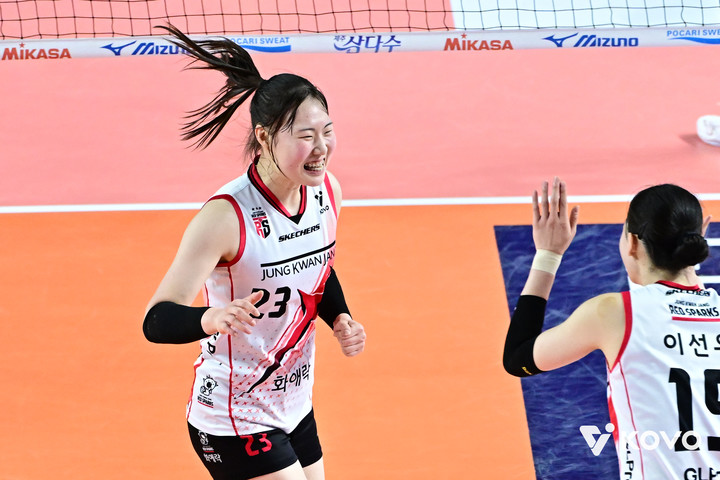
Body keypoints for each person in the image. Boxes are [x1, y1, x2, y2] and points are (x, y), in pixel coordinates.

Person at [142, 25, 366, 480]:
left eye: (327, 132)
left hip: (294, 403)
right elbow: (156, 320)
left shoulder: (327, 192)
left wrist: (340, 316)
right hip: (232, 414)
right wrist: (209, 318)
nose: (321, 148)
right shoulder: (225, 217)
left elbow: (318, 270)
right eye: (306, 136)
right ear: (264, 138)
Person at [503, 177, 719, 479]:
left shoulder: (614, 313)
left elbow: (518, 359)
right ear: (700, 237)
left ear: (632, 243)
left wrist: (548, 255)